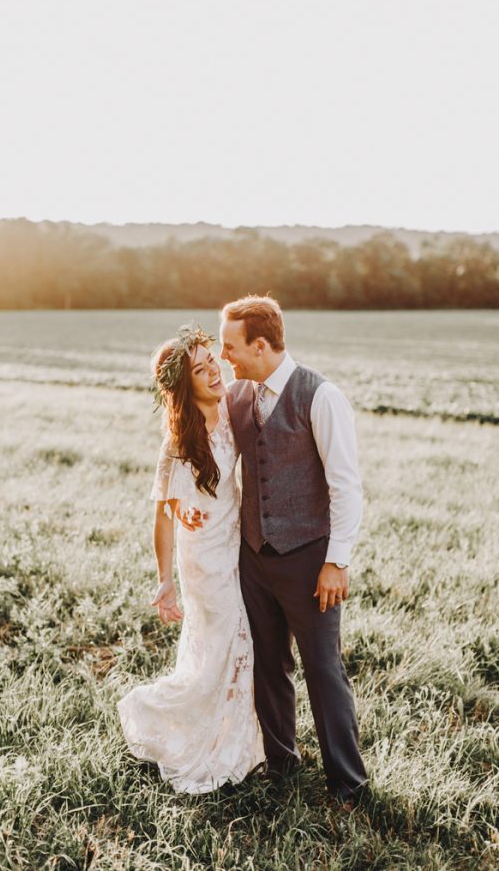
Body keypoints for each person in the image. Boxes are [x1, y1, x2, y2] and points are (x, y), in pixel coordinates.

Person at [219, 295, 368, 810]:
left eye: (231, 346)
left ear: (260, 345)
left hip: (310, 558)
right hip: (253, 556)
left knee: (323, 670)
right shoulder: (238, 396)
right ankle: (282, 765)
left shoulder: (321, 396)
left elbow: (346, 486)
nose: (225, 357)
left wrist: (337, 560)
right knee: (268, 665)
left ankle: (348, 785)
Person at [116, 324, 264, 794]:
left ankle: (240, 737)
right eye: (200, 370)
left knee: (234, 645)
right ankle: (154, 711)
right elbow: (163, 517)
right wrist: (165, 581)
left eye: (211, 361)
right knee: (229, 641)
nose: (212, 371)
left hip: (234, 541)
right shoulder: (179, 441)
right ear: (186, 385)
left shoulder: (233, 404)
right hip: (202, 557)